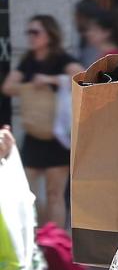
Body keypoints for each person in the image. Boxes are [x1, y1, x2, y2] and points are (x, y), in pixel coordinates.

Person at [1, 15, 78, 228]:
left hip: (57, 135)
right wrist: (29, 89)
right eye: (29, 32)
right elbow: (8, 87)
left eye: (35, 32)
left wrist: (50, 80)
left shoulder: (62, 59)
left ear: (49, 35)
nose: (31, 37)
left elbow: (82, 77)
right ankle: (41, 236)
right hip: (34, 133)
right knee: (27, 192)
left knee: (55, 192)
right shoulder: (28, 60)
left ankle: (55, 242)